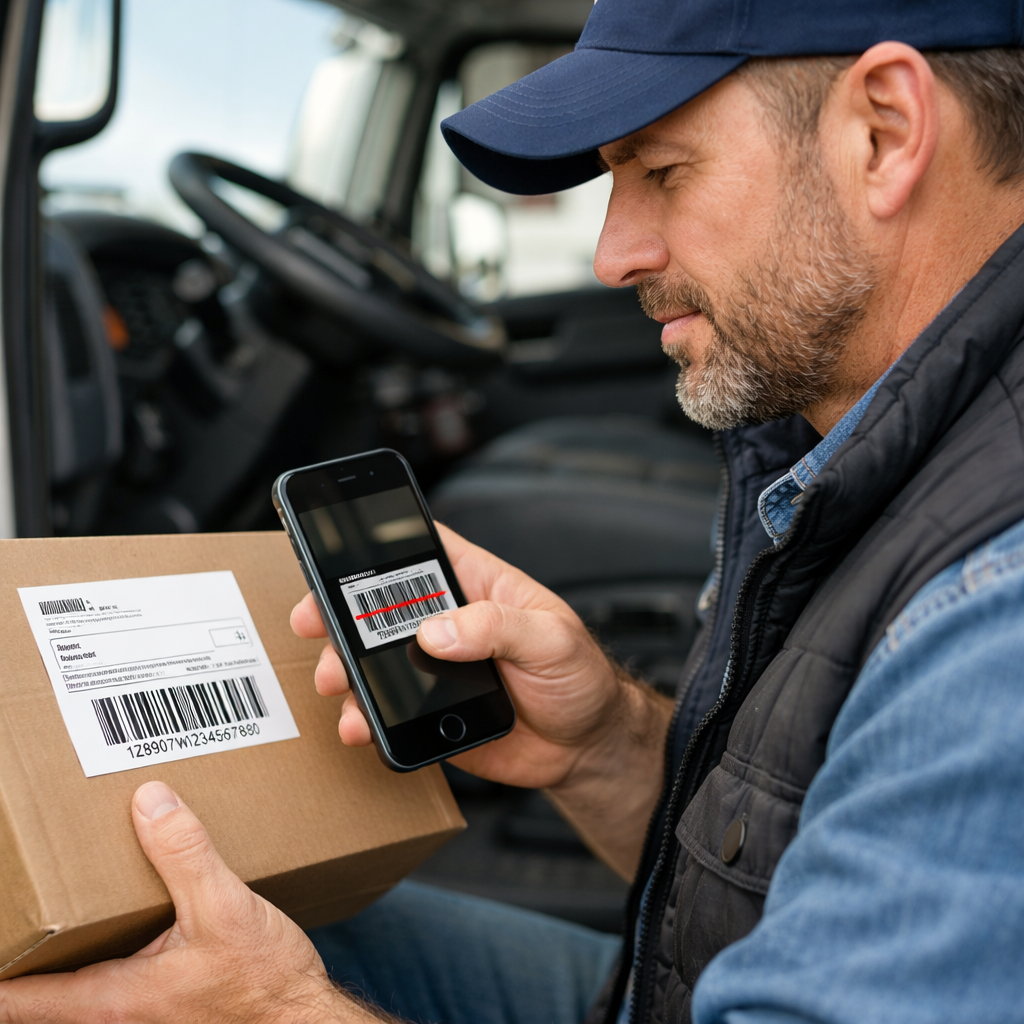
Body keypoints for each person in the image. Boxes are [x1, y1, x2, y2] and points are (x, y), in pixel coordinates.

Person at [4, 0, 1024, 1021]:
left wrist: (276, 1010)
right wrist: (609, 747)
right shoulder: (843, 453)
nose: (610, 254)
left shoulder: (994, 616)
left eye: (663, 171)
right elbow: (781, 892)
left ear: (884, 131)